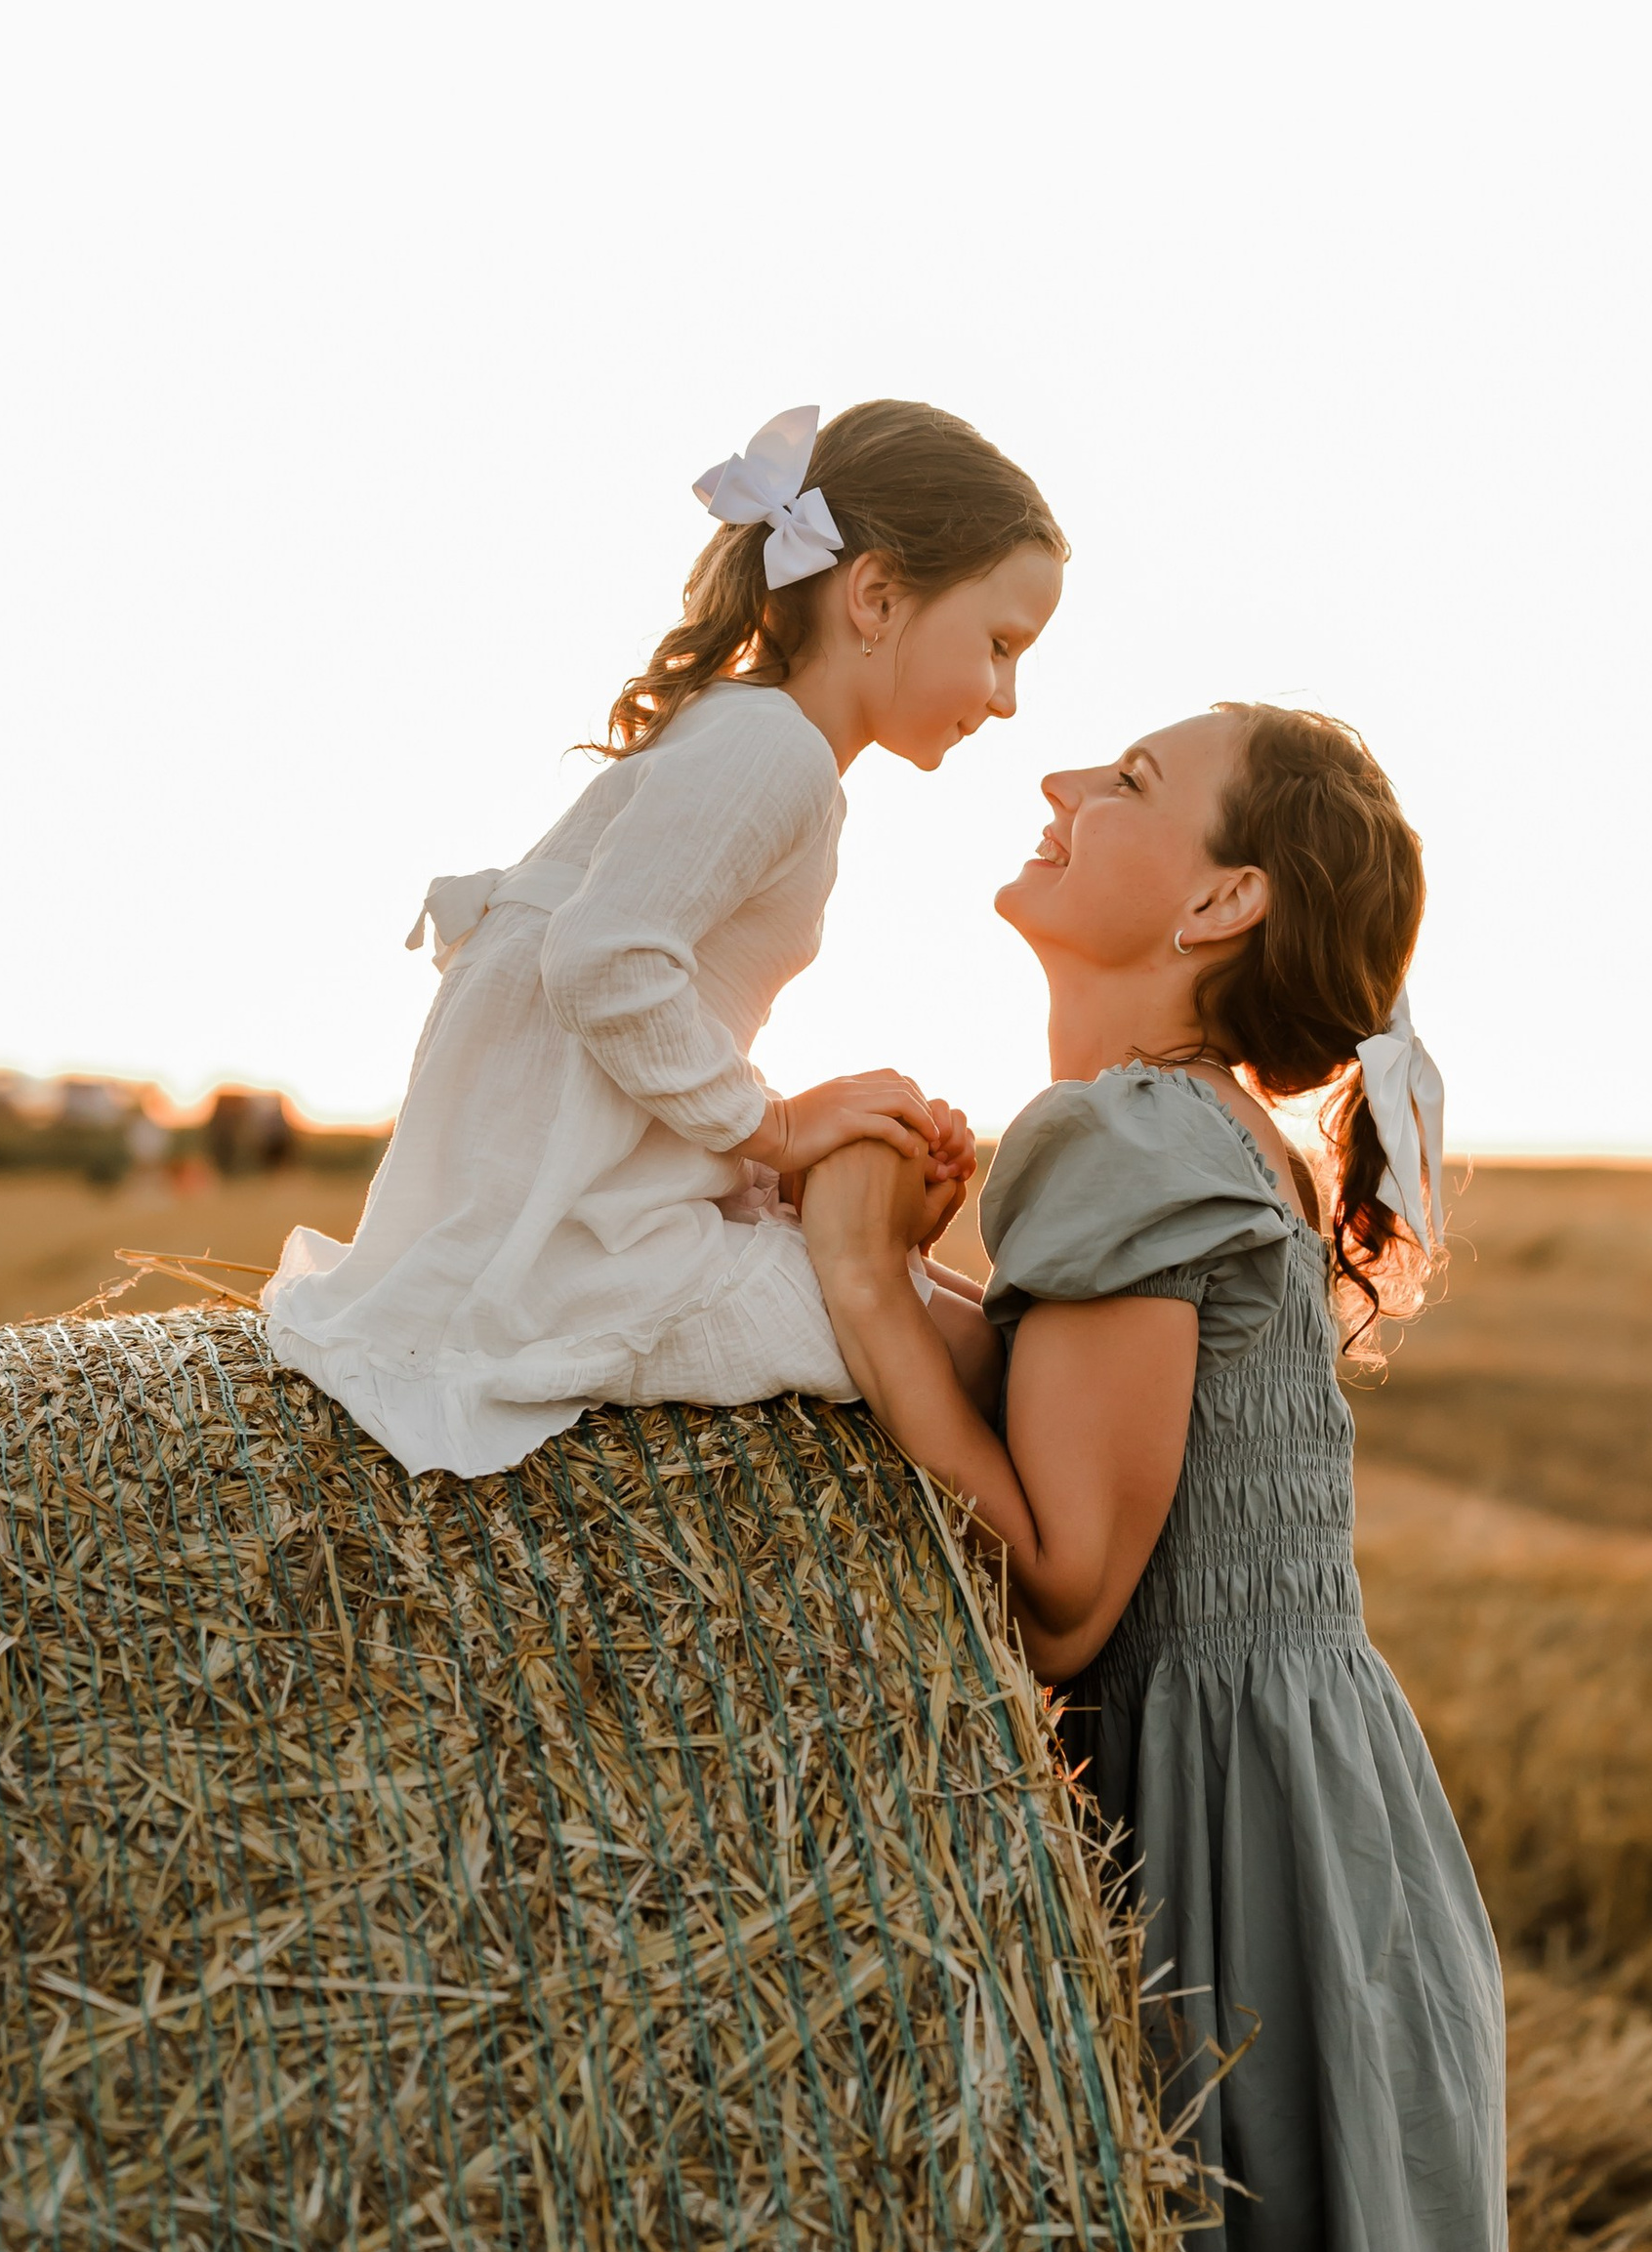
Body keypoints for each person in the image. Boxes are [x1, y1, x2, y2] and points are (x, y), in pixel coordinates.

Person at [802, 706, 1589, 2252]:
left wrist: (867, 1286)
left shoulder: (1129, 1133)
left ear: (1221, 899)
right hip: (1322, 1814)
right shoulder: (1195, 1128)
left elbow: (1065, 1592)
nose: (1059, 787)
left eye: (1125, 781)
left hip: (1229, 1845)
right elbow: (1095, 1418)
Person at [264, 399, 1061, 1479]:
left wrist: (776, 1165)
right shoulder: (773, 751)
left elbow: (629, 1002)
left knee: (946, 1306)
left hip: (585, 1199)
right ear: (874, 595)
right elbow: (602, 962)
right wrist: (772, 1126)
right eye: (1000, 645)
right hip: (563, 1245)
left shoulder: (753, 738)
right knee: (965, 1354)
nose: (1008, 698)